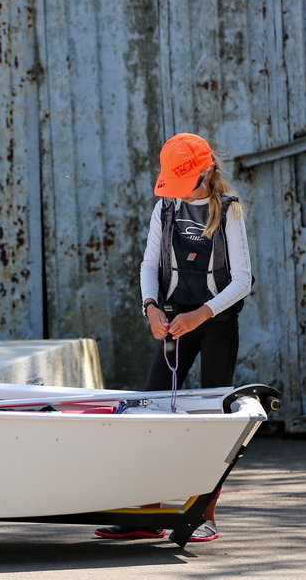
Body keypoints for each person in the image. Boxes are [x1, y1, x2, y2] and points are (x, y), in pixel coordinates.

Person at [95, 132, 252, 542]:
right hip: (173, 324)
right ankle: (145, 515)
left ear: (208, 171)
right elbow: (149, 264)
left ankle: (204, 515)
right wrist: (150, 307)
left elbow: (243, 281)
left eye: (189, 184)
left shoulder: (229, 211)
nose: (182, 193)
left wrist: (202, 313)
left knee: (214, 421)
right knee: (151, 411)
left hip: (215, 325)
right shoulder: (164, 207)